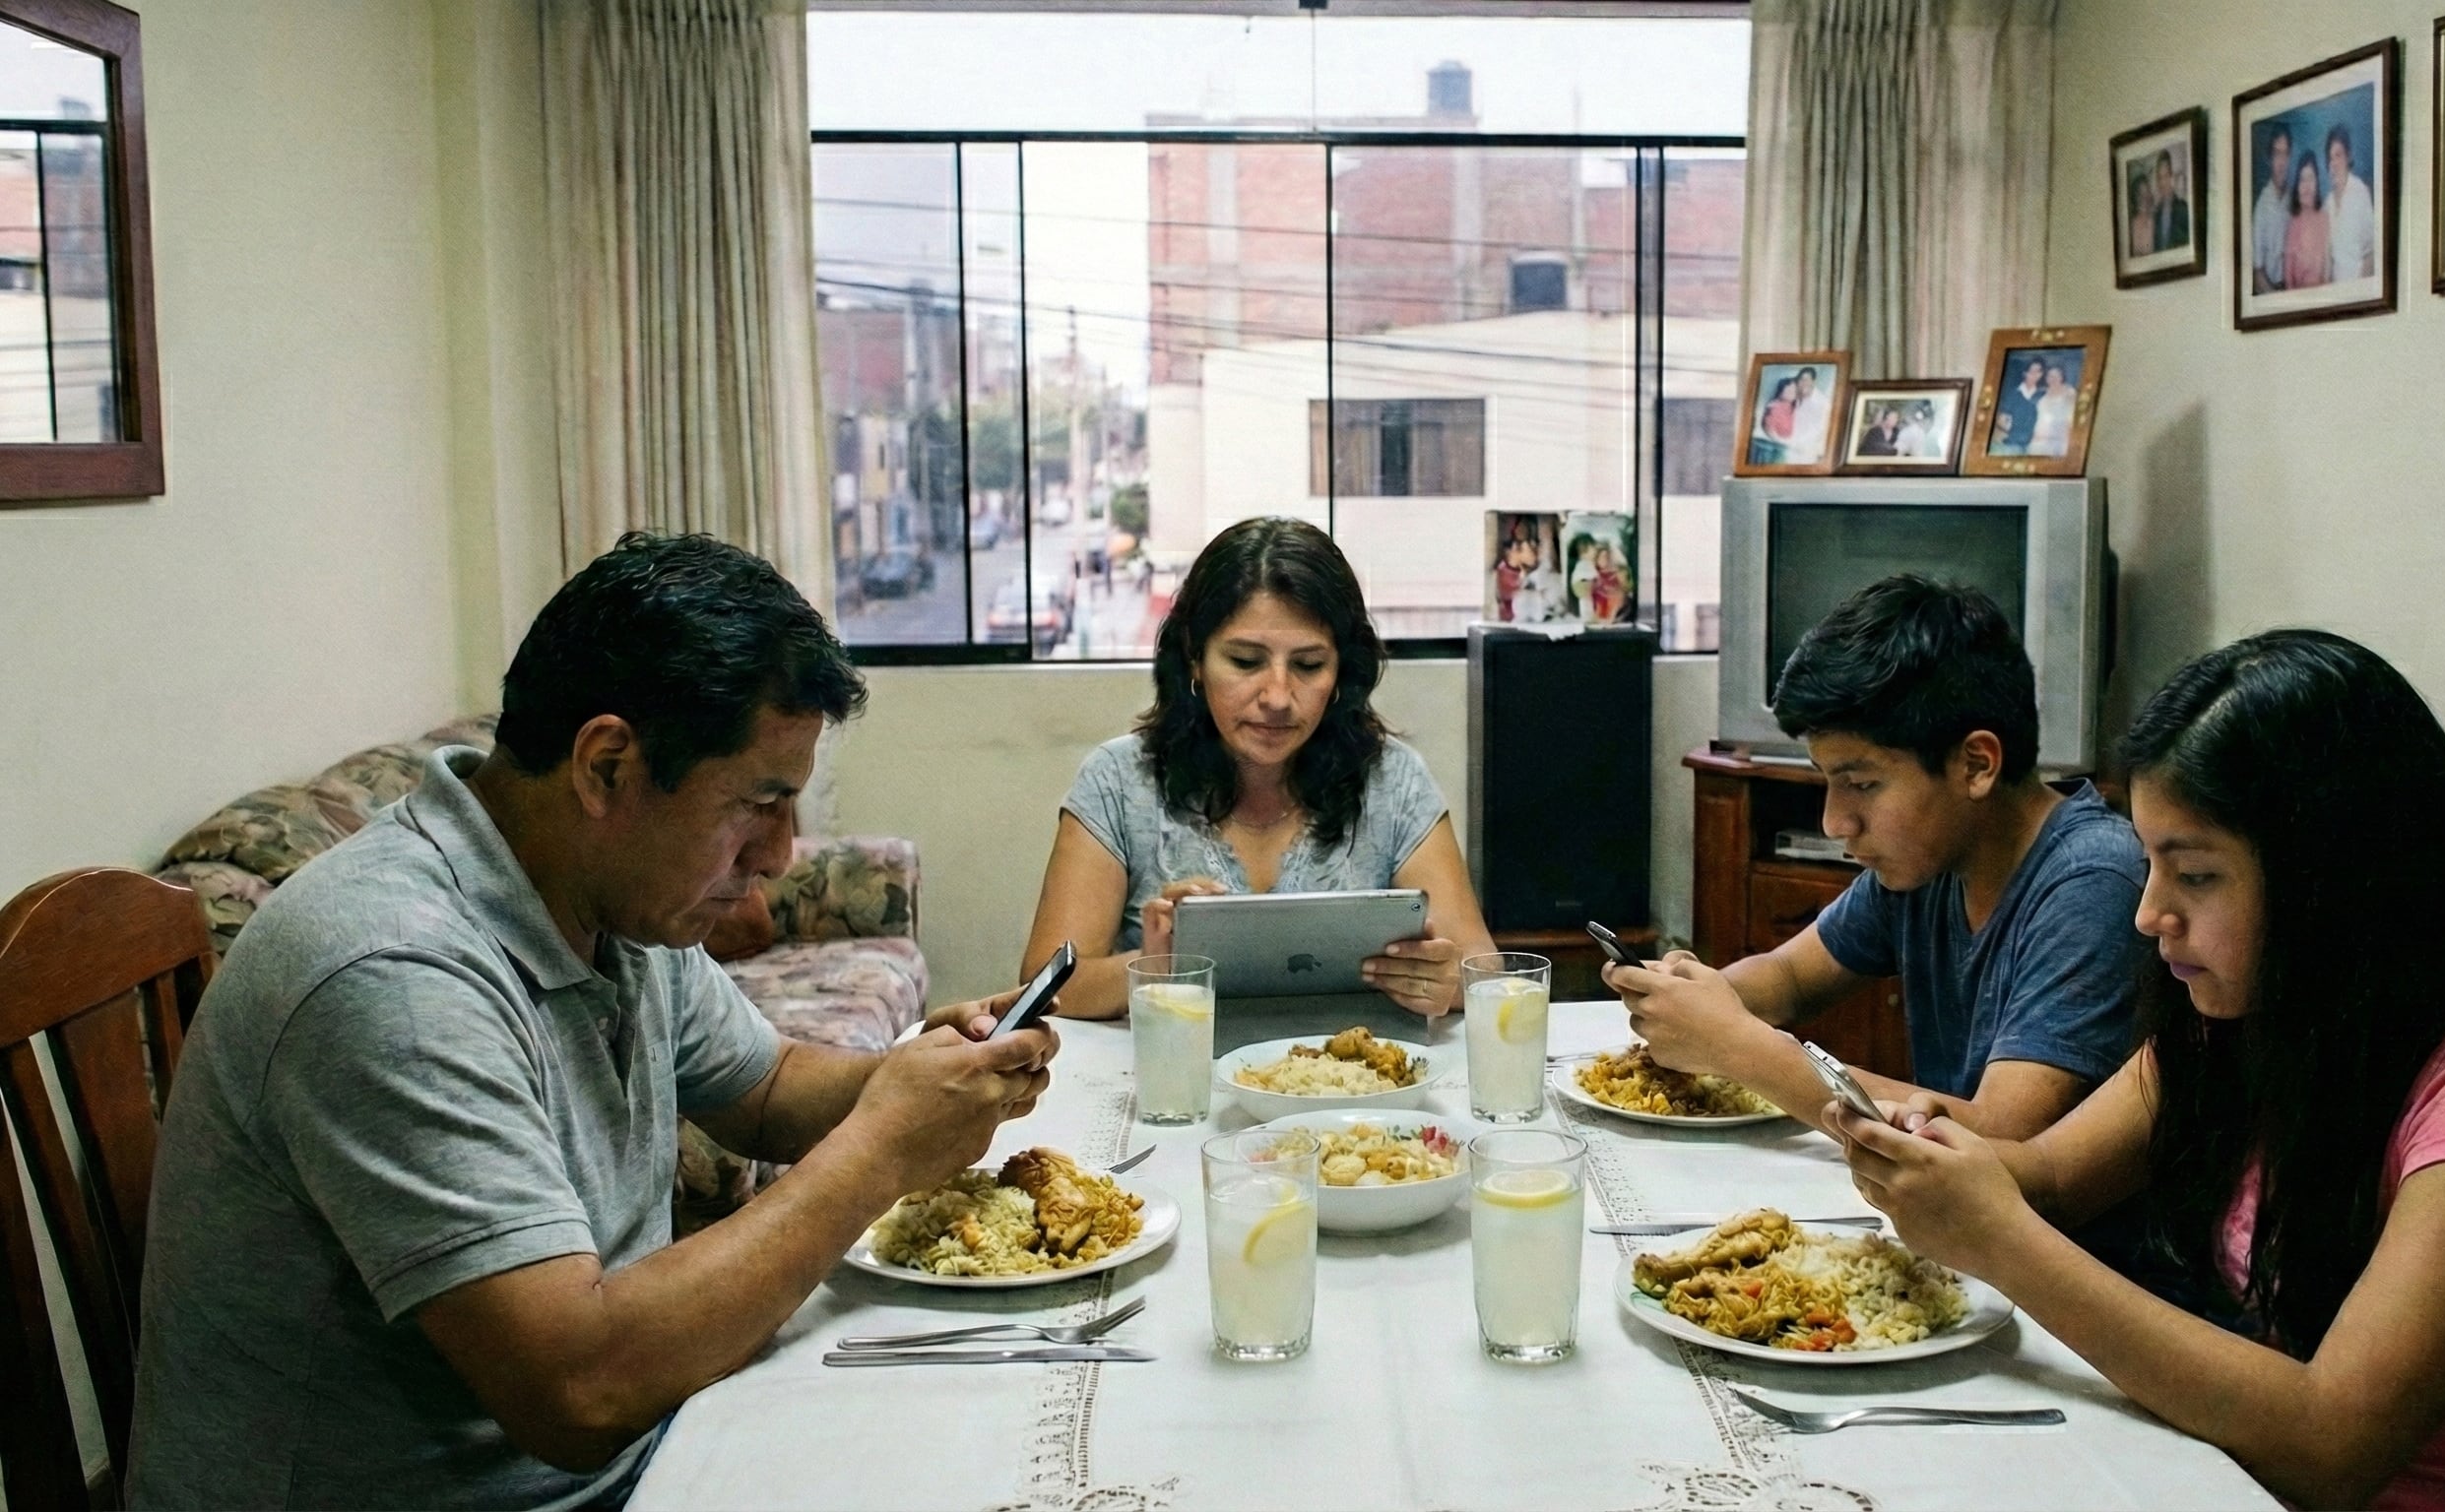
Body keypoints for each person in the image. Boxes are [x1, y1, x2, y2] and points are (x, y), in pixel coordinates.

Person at [128, 534, 1060, 1508]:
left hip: (633, 1449)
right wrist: (878, 1152)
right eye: (758, 804)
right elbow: (576, 1392)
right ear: (606, 767)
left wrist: (917, 1076)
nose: (782, 855)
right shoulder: (390, 975)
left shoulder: (605, 899)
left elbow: (767, 1088)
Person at [1836, 630, 2445, 1510]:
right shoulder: (2255, 1012)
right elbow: (2052, 1176)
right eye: (2151, 864)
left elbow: (2332, 1444)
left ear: (2332, 883)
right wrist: (1936, 1152)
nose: (2149, 914)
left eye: (2195, 874)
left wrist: (1998, 1239)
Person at [1601, 575, 2148, 1145]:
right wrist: (1695, 997)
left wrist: (1742, 1049)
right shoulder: (1929, 862)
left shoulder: (2094, 879)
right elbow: (1788, 977)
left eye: (1861, 784)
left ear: (1976, 765)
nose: (1835, 823)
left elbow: (2003, 1138)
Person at [1026, 516, 1497, 1019]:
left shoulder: (1392, 780)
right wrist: (1153, 965)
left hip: (1350, 1084)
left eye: (1309, 666)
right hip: (1171, 1081)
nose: (1277, 697)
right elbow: (1047, 989)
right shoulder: (1118, 781)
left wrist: (1446, 982)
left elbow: (1485, 971)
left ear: (1342, 672)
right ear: (1194, 660)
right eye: (1246, 662)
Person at [2327, 125, 2378, 283]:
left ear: (2348, 157)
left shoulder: (2360, 192)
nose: (2334, 163)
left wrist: (2357, 293)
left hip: (2359, 289)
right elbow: (2329, 259)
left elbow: (2371, 254)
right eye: (2330, 157)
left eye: (2338, 155)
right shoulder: (2327, 203)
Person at [2253, 125, 2295, 293]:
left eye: (2285, 154)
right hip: (2271, 290)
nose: (2282, 162)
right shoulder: (2261, 208)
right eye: (2277, 153)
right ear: (2270, 158)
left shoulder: (2295, 200)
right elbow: (2258, 274)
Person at [2284, 155, 2333, 291]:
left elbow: (2327, 273)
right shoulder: (2292, 224)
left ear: (2317, 183)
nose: (2306, 185)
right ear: (2297, 187)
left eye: (2311, 178)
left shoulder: (2325, 218)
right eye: (2302, 180)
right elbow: (2288, 281)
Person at [1996, 357, 2045, 457]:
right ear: (2025, 373)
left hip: (2036, 445)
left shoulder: (2043, 394)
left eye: (2039, 371)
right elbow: (2001, 420)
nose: (2035, 375)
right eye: (2032, 371)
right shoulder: (2013, 394)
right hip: (2013, 444)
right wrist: (2015, 431)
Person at [2028, 361, 2078, 458]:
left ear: (2062, 377)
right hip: (2039, 441)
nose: (2053, 379)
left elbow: (2073, 417)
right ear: (2046, 378)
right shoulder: (2040, 394)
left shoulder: (2070, 393)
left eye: (2057, 376)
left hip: (2060, 442)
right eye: (2050, 376)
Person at [1749, 374, 1799, 467]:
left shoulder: (1793, 407)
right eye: (1788, 389)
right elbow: (1769, 429)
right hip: (1772, 446)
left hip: (1784, 444)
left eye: (1794, 390)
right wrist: (1781, 442)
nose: (1791, 392)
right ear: (1780, 391)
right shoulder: (1773, 406)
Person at [2149, 149, 2191, 252]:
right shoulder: (2156, 213)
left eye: (2166, 176)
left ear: (2172, 177)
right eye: (2159, 178)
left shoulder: (2183, 209)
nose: (2162, 183)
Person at [2126, 170, 2155, 258]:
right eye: (2141, 194)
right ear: (2136, 198)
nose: (2145, 198)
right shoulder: (2133, 225)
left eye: (2147, 192)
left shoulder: (2155, 219)